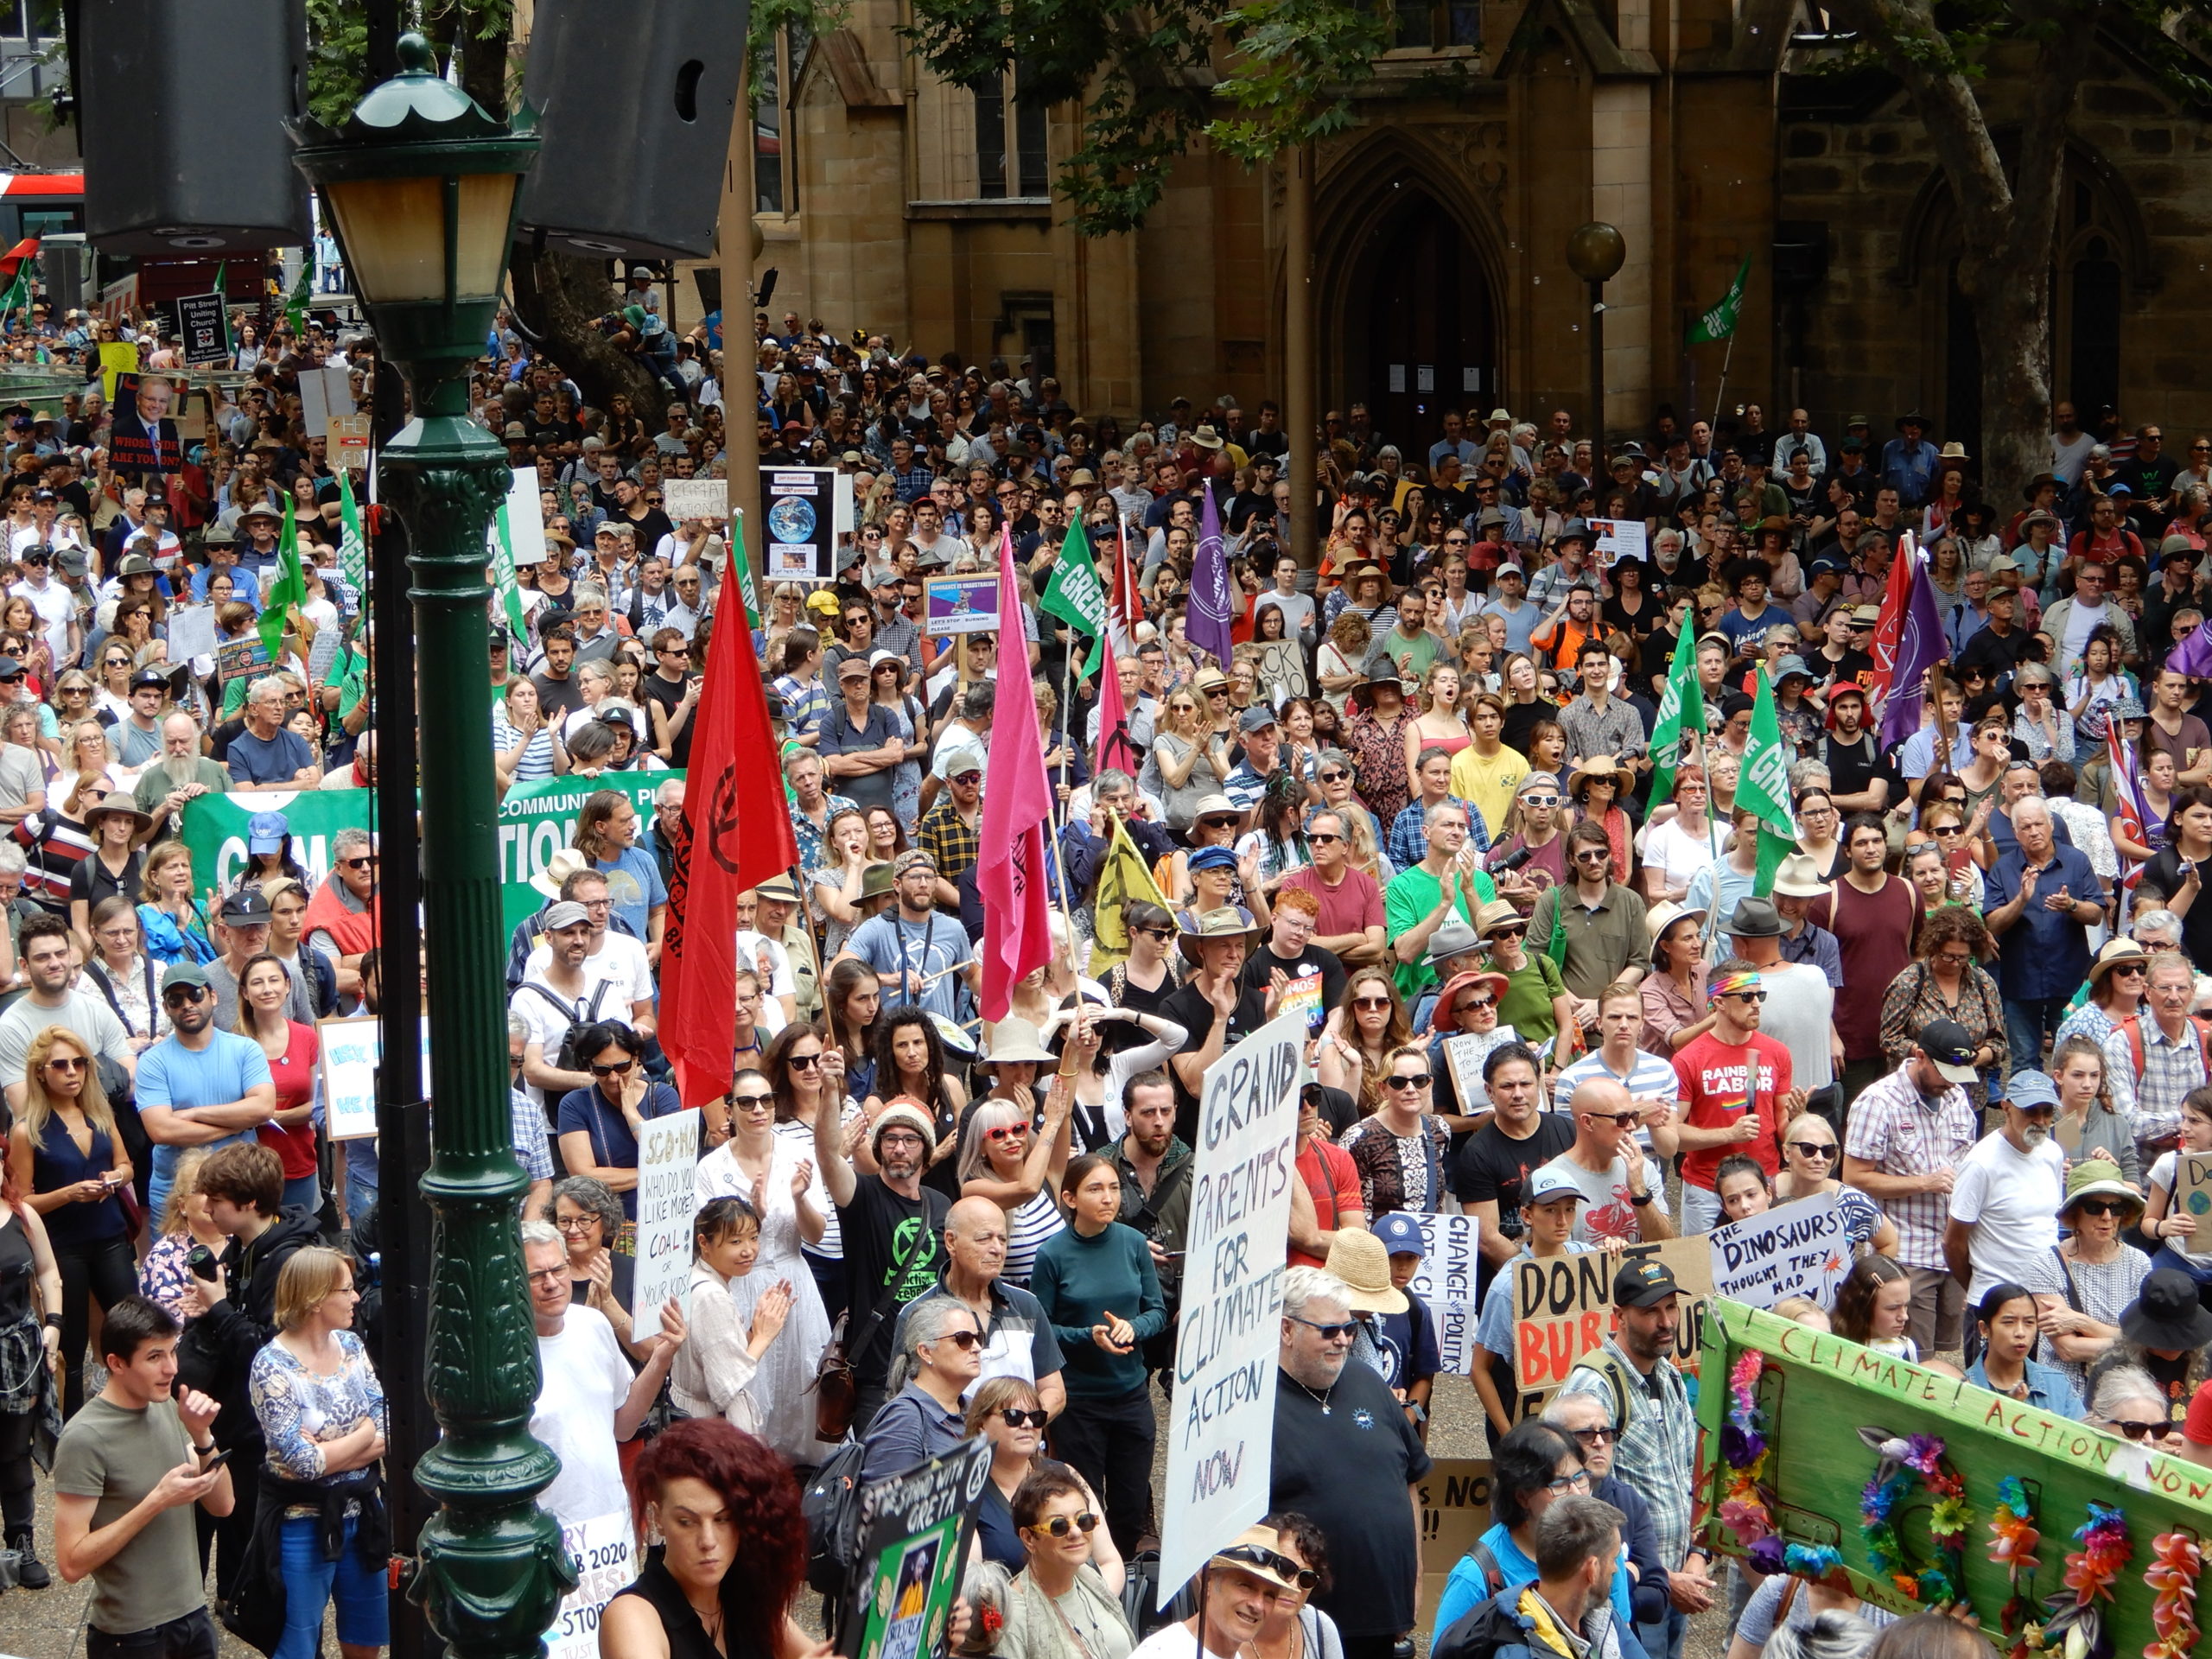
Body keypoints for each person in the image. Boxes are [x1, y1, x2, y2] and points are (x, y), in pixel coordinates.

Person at [53, 1295, 235, 1659]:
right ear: (116, 1363)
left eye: (172, 1352)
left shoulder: (167, 1408)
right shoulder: (85, 1437)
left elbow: (224, 1505)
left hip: (193, 1618)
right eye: (155, 1357)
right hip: (131, 1635)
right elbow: (71, 1563)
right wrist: (156, 1502)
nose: (171, 1368)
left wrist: (202, 1436)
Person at [1268, 1266, 1431, 1659]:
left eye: (1349, 1329)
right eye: (1328, 1331)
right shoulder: (1256, 1404)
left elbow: (1409, 1479)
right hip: (1299, 1620)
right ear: (1286, 1330)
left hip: (1380, 1615)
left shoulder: (1367, 1381)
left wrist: (1415, 1574)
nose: (1343, 1340)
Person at [238, 1247, 388, 1659]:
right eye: (347, 1289)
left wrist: (332, 1450)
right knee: (296, 1645)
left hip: (363, 1512)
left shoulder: (352, 1346)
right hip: (299, 1525)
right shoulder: (272, 1366)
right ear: (315, 1299)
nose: (357, 1297)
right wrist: (364, 1436)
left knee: (366, 1636)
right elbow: (304, 1465)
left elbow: (389, 1425)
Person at [1559, 1259, 1708, 1659]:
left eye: (1671, 1307)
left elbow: (1688, 1474)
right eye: (1650, 1312)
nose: (1666, 1321)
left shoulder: (1672, 1377)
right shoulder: (1594, 1386)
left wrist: (1698, 1556)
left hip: (1676, 1590)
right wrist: (1660, 1579)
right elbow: (1569, 1498)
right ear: (1619, 1317)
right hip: (1627, 1599)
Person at [596, 1417, 821, 1659]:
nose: (708, 1541)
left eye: (722, 1519)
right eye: (687, 1522)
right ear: (657, 1518)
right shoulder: (633, 1616)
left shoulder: (743, 1597)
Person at [1031, 1153, 1164, 1555]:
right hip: (1079, 1403)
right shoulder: (1052, 1254)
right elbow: (1042, 1328)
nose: (1109, 1198)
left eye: (1113, 1188)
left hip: (1131, 1394)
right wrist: (1088, 1335)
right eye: (1095, 1189)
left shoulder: (1133, 1243)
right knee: (1084, 1504)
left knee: (1130, 1503)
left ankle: (1128, 1585)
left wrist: (1132, 1328)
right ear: (1070, 1198)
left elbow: (1156, 1310)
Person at [522, 1217, 684, 1532]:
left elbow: (623, 1426)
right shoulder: (503, 1353)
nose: (552, 1282)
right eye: (537, 1275)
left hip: (608, 1523)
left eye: (558, 1269)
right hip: (542, 1531)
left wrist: (661, 1358)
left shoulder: (594, 1324)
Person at [10, 1022, 135, 1418]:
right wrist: (69, 1193)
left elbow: (126, 1164)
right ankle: (71, 1426)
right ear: (41, 1072)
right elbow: (21, 1200)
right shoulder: (27, 1130)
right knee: (72, 1342)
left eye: (79, 1063)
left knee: (131, 1322)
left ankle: (137, 1406)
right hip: (63, 1245)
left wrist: (115, 1178)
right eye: (60, 1065)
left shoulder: (98, 1112)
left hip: (110, 1233)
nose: (72, 1072)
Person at [1842, 1020, 1984, 1356]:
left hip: (1953, 1248)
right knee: (1912, 1357)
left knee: (1949, 1355)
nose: (1950, 1083)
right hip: (1907, 1251)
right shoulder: (1878, 1102)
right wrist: (1924, 1183)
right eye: (1944, 1073)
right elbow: (1854, 1178)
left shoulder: (1956, 1098)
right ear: (1920, 1056)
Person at [1432, 1419, 1643, 1642]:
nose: (1578, 1494)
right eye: (1560, 1485)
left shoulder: (1603, 1548)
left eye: (1580, 1478)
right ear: (1522, 1496)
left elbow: (1621, 1638)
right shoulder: (1475, 1578)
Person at [815, 1087, 950, 1428]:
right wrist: (830, 1091)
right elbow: (829, 1157)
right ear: (878, 1148)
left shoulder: (942, 1204)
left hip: (936, 1371)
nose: (899, 1148)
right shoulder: (862, 1195)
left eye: (910, 1139)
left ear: (926, 1149)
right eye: (889, 1139)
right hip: (878, 1378)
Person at [138, 962, 276, 1222]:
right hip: (177, 1194)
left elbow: (263, 1108)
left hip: (240, 1189)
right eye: (175, 999)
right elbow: (162, 1130)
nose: (187, 1004)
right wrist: (236, 1127)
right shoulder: (152, 1061)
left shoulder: (245, 1049)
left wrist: (194, 1113)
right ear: (166, 1008)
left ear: (213, 996)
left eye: (195, 995)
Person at [1669, 959, 1797, 1231]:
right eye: (1747, 996)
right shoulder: (1688, 1059)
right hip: (1708, 1189)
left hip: (1761, 1185)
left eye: (1759, 995)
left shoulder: (1777, 1053)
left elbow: (1783, 1128)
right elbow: (1675, 1136)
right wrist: (1729, 1134)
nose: (1757, 1003)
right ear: (1719, 1003)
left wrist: (1799, 1120)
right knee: (1704, 1271)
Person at [1982, 797, 2101, 1073]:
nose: (2034, 831)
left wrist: (2072, 905)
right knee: (2024, 1064)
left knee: (2078, 1062)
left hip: (2070, 978)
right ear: (2015, 833)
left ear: (2051, 825)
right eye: (2025, 827)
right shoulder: (2004, 868)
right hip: (2021, 980)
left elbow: (2096, 914)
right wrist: (2020, 901)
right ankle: (2030, 1115)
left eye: (2039, 824)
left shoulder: (2076, 860)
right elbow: (1993, 924)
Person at [1433, 1496, 1632, 1659]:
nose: (1616, 1568)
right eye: (1613, 1558)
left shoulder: (1604, 1617)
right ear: (1593, 1570)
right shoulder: (1515, 1653)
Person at [1809, 815, 1919, 1101]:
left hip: (1901, 1034)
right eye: (1861, 843)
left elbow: (1920, 954)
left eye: (1877, 841)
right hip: (1849, 1037)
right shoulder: (1827, 900)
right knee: (1852, 1123)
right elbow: (1814, 977)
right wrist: (1829, 1034)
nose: (1871, 849)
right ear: (1847, 850)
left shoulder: (1908, 892)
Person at [1943, 1071, 2069, 1313]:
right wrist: (1979, 1293)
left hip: (2045, 1300)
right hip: (1995, 1302)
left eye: (2048, 1112)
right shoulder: (1981, 1163)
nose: (2041, 1121)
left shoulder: (2052, 1152)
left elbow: (2048, 1223)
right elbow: (1953, 1242)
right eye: (2031, 1111)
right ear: (2006, 1108)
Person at [670, 1195, 794, 1436]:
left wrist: (752, 1331)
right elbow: (727, 1385)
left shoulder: (700, 1279)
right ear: (704, 1243)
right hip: (707, 1427)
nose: (749, 1251)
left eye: (754, 1238)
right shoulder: (710, 1295)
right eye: (735, 1241)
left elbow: (716, 1353)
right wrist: (763, 1337)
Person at [995, 1463, 1136, 1659]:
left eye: (1083, 1520)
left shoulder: (1090, 1578)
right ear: (1028, 1538)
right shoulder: (1014, 1616)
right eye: (1058, 1526)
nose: (1076, 1532)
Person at [556, 1021, 683, 1230]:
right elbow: (584, 1175)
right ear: (590, 1067)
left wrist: (632, 1115)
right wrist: (654, 1173)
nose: (614, 1078)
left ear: (635, 1060)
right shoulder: (574, 1104)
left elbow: (674, 1161)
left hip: (662, 1220)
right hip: (606, 1224)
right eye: (602, 1070)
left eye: (622, 1067)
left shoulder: (662, 1096)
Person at [2042, 1156, 2150, 1389]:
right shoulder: (2046, 1262)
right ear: (2074, 1214)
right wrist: (2127, 1342)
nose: (2107, 1217)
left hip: (2122, 1388)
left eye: (2116, 1208)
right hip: (2064, 1388)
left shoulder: (2139, 1263)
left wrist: (2079, 1321)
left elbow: (2144, 1342)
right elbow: (2068, 1349)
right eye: (2095, 1207)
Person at [1129, 1524, 1306, 1659]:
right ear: (1206, 1581)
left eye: (1270, 1595)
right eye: (1245, 1586)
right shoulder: (1164, 1653)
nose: (1258, 1605)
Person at [1536, 1078, 1675, 1244]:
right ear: (1588, 1122)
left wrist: (1640, 1193)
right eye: (1622, 1119)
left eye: (1634, 1116)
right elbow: (1553, 1259)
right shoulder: (1551, 1180)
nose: (1631, 1126)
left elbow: (1667, 1246)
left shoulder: (1642, 1168)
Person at [860, 1294, 982, 1480]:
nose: (977, 1347)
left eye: (978, 1337)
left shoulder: (973, 1409)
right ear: (926, 1352)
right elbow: (887, 1505)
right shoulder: (904, 1418)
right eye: (964, 1339)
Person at [966, 1376, 1052, 1570]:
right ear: (981, 1424)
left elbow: (1109, 1560)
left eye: (1036, 1417)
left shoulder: (1066, 1476)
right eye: (1014, 1416)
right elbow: (974, 1585)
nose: (1028, 1424)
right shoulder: (965, 1493)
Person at [1964, 1281, 2084, 1417]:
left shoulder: (2058, 1385)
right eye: (2009, 1322)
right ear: (1984, 1329)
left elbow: (2082, 1436)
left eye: (2029, 1323)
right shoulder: (1964, 1388)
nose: (2021, 1333)